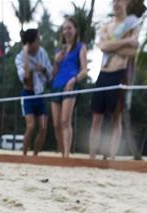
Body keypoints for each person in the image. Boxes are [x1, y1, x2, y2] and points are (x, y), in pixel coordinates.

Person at [89, 0, 139, 160]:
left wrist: (112, 44)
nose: (116, 3)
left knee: (116, 117)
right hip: (103, 73)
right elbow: (103, 47)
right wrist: (125, 41)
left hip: (120, 73)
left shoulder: (133, 23)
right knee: (96, 117)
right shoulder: (106, 26)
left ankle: (111, 157)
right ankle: (91, 156)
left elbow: (132, 51)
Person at [50, 17, 88, 158]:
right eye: (64, 28)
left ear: (75, 29)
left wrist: (74, 80)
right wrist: (56, 61)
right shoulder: (59, 50)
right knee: (56, 124)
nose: (66, 31)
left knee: (65, 121)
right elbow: (53, 73)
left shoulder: (81, 47)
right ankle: (61, 152)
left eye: (69, 28)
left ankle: (66, 154)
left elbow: (84, 70)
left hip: (70, 86)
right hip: (56, 86)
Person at [14, 28, 52, 157]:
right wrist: (25, 54)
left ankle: (35, 155)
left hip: (40, 94)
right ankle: (24, 155)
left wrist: (43, 70)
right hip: (28, 95)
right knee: (30, 127)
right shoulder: (19, 58)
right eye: (37, 40)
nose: (40, 42)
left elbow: (50, 75)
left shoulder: (42, 53)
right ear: (30, 43)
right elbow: (25, 79)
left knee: (43, 128)